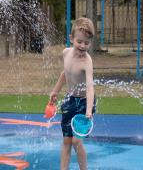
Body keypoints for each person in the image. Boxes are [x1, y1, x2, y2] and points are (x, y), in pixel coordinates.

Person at [49, 17, 96, 170]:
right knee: (67, 141)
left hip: (84, 103)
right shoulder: (66, 53)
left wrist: (89, 110)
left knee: (77, 141)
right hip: (70, 100)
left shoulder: (87, 62)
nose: (83, 46)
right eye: (79, 41)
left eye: (87, 43)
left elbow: (89, 88)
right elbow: (65, 73)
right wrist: (55, 91)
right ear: (71, 38)